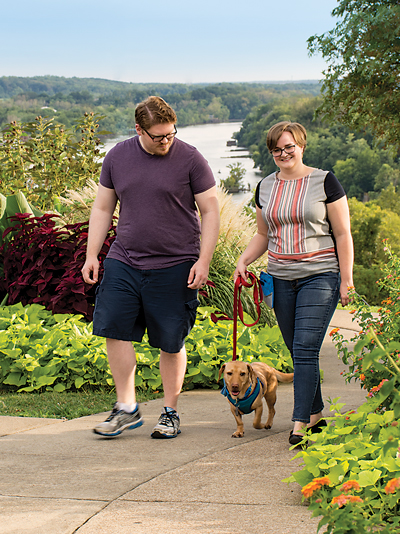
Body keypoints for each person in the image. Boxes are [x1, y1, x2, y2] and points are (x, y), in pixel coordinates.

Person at [82, 96, 220, 439]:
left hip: (176, 263)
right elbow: (102, 208)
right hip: (124, 258)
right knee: (113, 327)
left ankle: (170, 411)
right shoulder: (117, 157)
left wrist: (203, 260)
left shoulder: (190, 158)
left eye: (171, 134)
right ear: (139, 129)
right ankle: (126, 407)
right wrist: (91, 255)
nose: (166, 141)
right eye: (158, 136)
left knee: (170, 342)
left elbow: (211, 211)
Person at [234, 121, 353, 447]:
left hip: (321, 275)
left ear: (301, 144)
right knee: (298, 349)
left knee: (303, 348)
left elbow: (342, 233)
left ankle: (299, 424)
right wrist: (243, 260)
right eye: (276, 149)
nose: (283, 153)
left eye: (289, 146)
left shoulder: (324, 181)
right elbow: (262, 234)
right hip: (281, 279)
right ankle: (316, 414)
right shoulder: (265, 187)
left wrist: (347, 280)